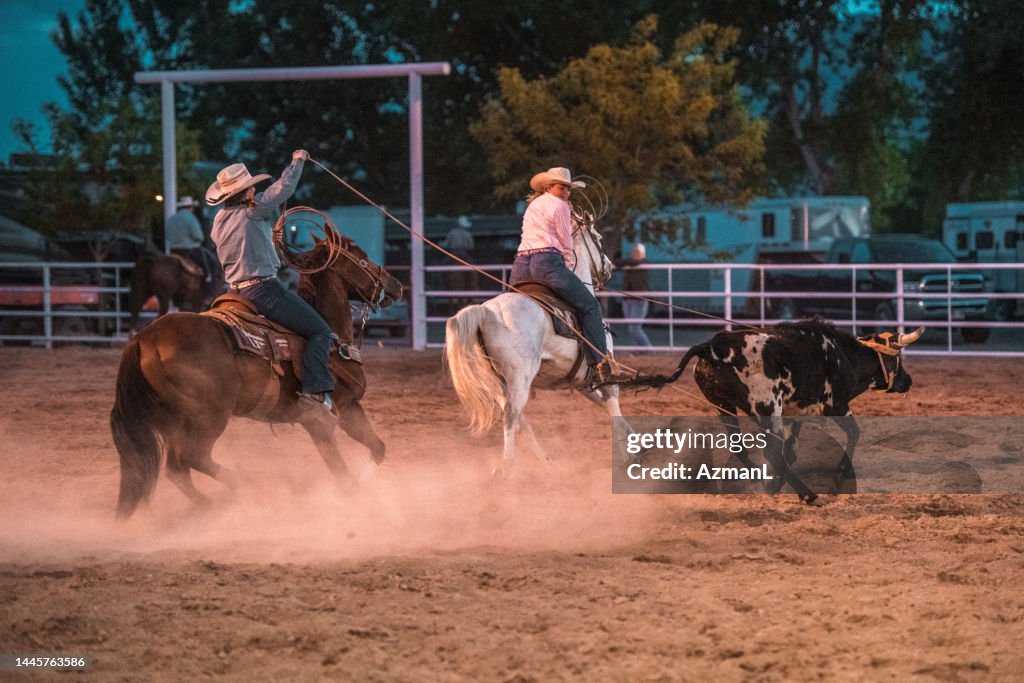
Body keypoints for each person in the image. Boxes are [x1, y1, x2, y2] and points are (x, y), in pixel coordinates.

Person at [206, 150, 335, 419]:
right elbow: (284, 187)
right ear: (246, 191)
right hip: (262, 290)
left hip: (233, 292)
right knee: (320, 331)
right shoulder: (255, 212)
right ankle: (314, 392)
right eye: (251, 187)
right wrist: (297, 161)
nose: (254, 190)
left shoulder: (218, 221)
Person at [509, 166, 624, 386]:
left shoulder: (533, 206)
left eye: (568, 189)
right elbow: (565, 239)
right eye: (562, 187)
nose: (565, 192)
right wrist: (569, 262)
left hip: (521, 265)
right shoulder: (560, 206)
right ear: (549, 186)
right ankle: (599, 363)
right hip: (547, 264)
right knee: (590, 306)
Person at [165, 196, 221, 298]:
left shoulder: (171, 218)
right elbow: (199, 237)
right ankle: (209, 290)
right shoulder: (191, 218)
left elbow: (167, 236)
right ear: (191, 207)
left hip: (174, 251)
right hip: (190, 250)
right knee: (212, 264)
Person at [614, 242, 653, 349]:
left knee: (634, 327)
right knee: (632, 327)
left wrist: (618, 262)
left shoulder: (643, 262)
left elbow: (626, 262)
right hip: (627, 299)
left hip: (639, 300)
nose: (634, 253)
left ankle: (648, 350)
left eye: (637, 252)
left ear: (642, 253)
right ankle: (638, 349)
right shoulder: (629, 264)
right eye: (633, 251)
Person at [442, 215, 477, 313]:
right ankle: (474, 283)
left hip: (454, 255)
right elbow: (471, 246)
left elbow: (446, 244)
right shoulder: (467, 234)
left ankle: (444, 284)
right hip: (465, 255)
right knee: (474, 269)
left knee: (443, 268)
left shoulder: (452, 233)